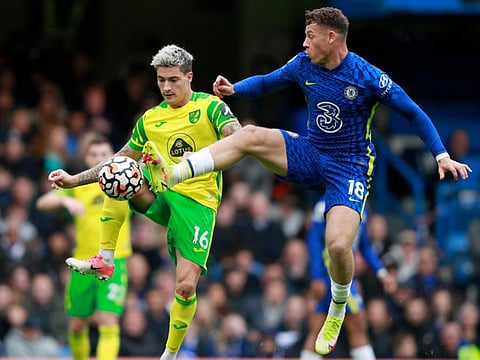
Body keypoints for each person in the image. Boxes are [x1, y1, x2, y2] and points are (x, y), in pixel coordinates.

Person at [142, 7, 472, 355]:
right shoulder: (304, 63)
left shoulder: (367, 75)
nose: (304, 42)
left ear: (332, 38)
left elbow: (413, 111)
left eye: (310, 36)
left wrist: (440, 154)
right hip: (311, 152)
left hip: (349, 168)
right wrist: (234, 88)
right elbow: (268, 82)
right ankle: (175, 172)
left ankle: (339, 306)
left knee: (339, 247)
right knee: (251, 134)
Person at [48, 44, 242, 360]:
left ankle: (170, 352)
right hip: (162, 193)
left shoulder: (210, 107)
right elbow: (117, 158)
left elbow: (239, 138)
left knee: (184, 288)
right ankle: (106, 257)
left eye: (173, 80)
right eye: (161, 80)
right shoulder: (150, 119)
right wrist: (73, 179)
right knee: (118, 171)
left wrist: (204, 158)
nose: (166, 87)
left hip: (197, 205)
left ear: (189, 77)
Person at [36, 134, 132, 360]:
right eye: (94, 154)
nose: (99, 158)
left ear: (113, 156)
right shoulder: (77, 185)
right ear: (87, 157)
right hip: (82, 263)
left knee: (108, 320)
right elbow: (42, 202)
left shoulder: (124, 180)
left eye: (103, 154)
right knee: (78, 324)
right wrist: (63, 200)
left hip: (114, 262)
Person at [301, 197, 396, 360]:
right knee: (357, 327)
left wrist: (382, 272)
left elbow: (364, 245)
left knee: (318, 329)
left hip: (344, 275)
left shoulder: (362, 206)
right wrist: (317, 276)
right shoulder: (325, 204)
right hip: (333, 275)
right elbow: (314, 242)